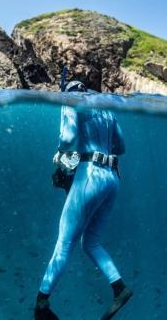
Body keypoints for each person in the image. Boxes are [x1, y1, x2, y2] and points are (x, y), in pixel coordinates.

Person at [35, 81, 132, 320]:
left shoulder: (70, 100)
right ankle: (119, 288)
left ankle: (41, 303)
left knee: (64, 242)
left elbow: (68, 138)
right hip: (112, 178)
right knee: (91, 242)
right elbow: (120, 145)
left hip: (90, 175)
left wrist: (61, 152)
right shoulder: (105, 108)